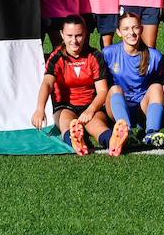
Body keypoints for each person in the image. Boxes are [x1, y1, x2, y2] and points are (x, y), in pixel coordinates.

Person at [30, 16, 113, 156]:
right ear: (62, 34)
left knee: (96, 126)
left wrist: (91, 110)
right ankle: (75, 140)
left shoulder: (95, 56)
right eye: (69, 36)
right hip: (65, 106)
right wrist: (40, 109)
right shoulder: (56, 57)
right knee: (67, 123)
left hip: (90, 105)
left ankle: (114, 141)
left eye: (79, 35)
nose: (74, 41)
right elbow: (47, 83)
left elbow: (103, 90)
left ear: (85, 34)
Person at [102, 13, 164, 153]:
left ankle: (151, 133)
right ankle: (127, 133)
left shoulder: (154, 56)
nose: (131, 33)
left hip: (142, 108)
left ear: (141, 29)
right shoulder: (108, 53)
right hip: (118, 106)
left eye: (135, 28)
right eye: (125, 29)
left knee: (157, 87)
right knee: (114, 89)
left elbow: (159, 84)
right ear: (119, 32)